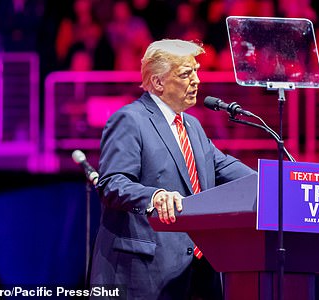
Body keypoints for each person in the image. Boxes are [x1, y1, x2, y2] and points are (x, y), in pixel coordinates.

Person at [90, 39, 255, 299]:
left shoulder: (192, 125)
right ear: (158, 82)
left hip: (198, 273)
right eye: (186, 74)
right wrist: (153, 196)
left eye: (197, 71)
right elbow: (112, 183)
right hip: (145, 272)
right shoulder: (130, 119)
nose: (197, 80)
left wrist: (276, 183)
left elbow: (224, 166)